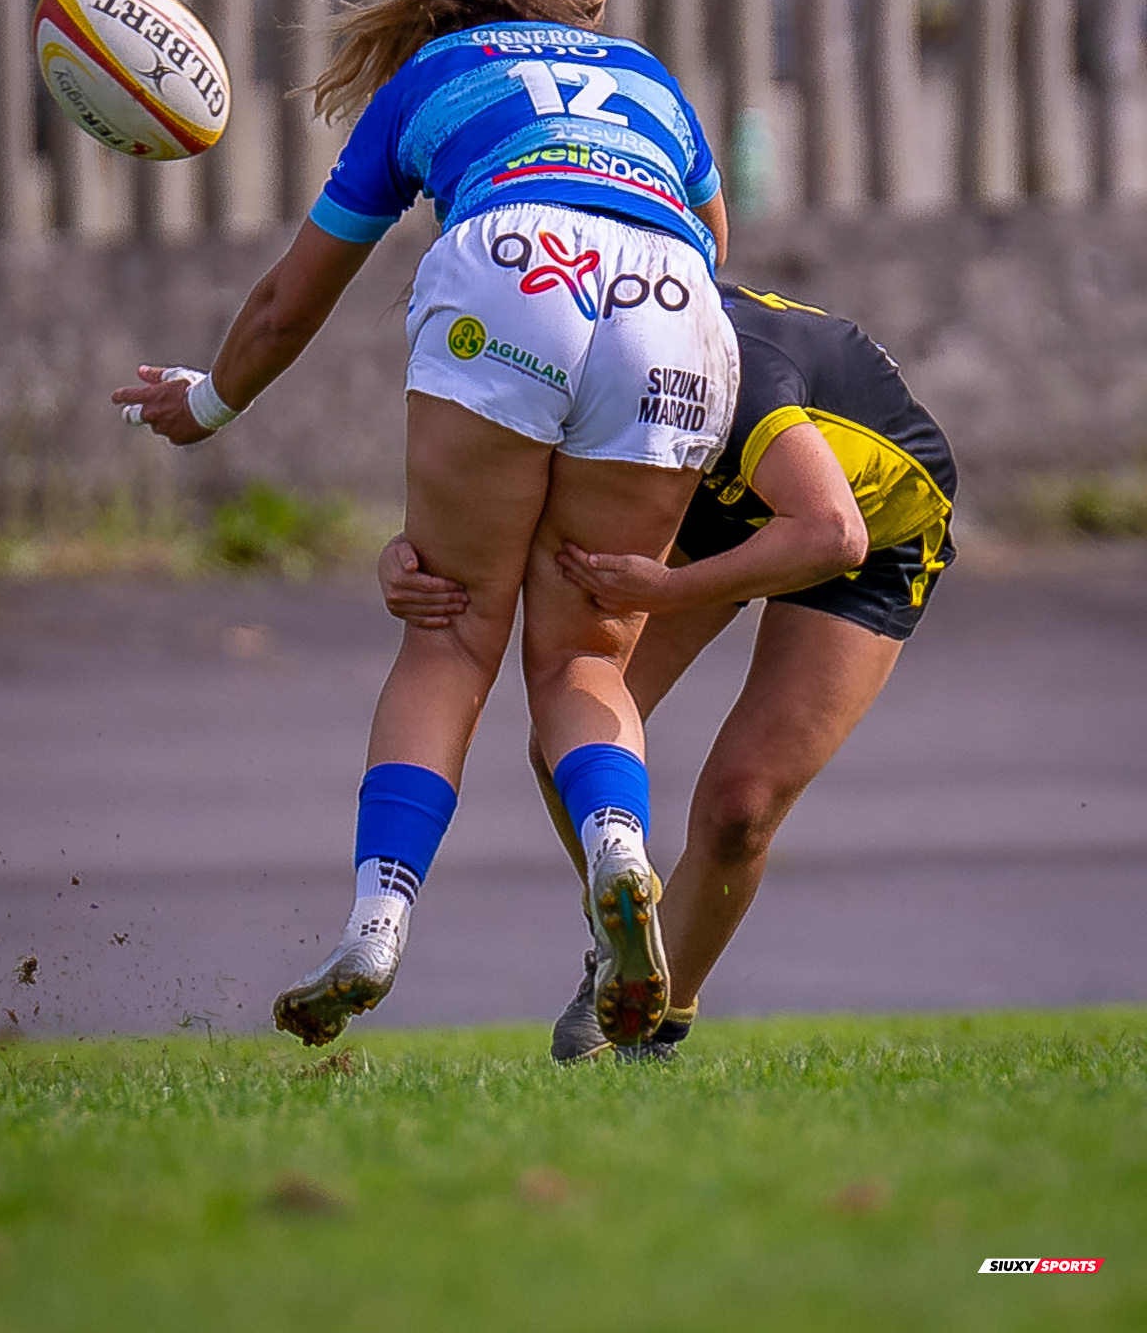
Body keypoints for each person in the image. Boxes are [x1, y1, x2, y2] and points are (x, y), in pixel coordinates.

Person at [111, 0, 739, 1048]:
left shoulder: (434, 77)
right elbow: (715, 254)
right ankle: (617, 849)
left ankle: (378, 924)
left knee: (449, 628)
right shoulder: (654, 84)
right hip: (675, 305)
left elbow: (289, 301)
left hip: (512, 262)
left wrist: (208, 403)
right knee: (587, 651)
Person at [380, 279, 956, 1060]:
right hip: (723, 505)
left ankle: (655, 1027)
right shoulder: (552, 358)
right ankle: (628, 944)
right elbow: (484, 498)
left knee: (740, 808)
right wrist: (410, 559)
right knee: (566, 741)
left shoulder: (731, 370)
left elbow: (833, 533)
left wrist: (671, 589)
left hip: (870, 531)